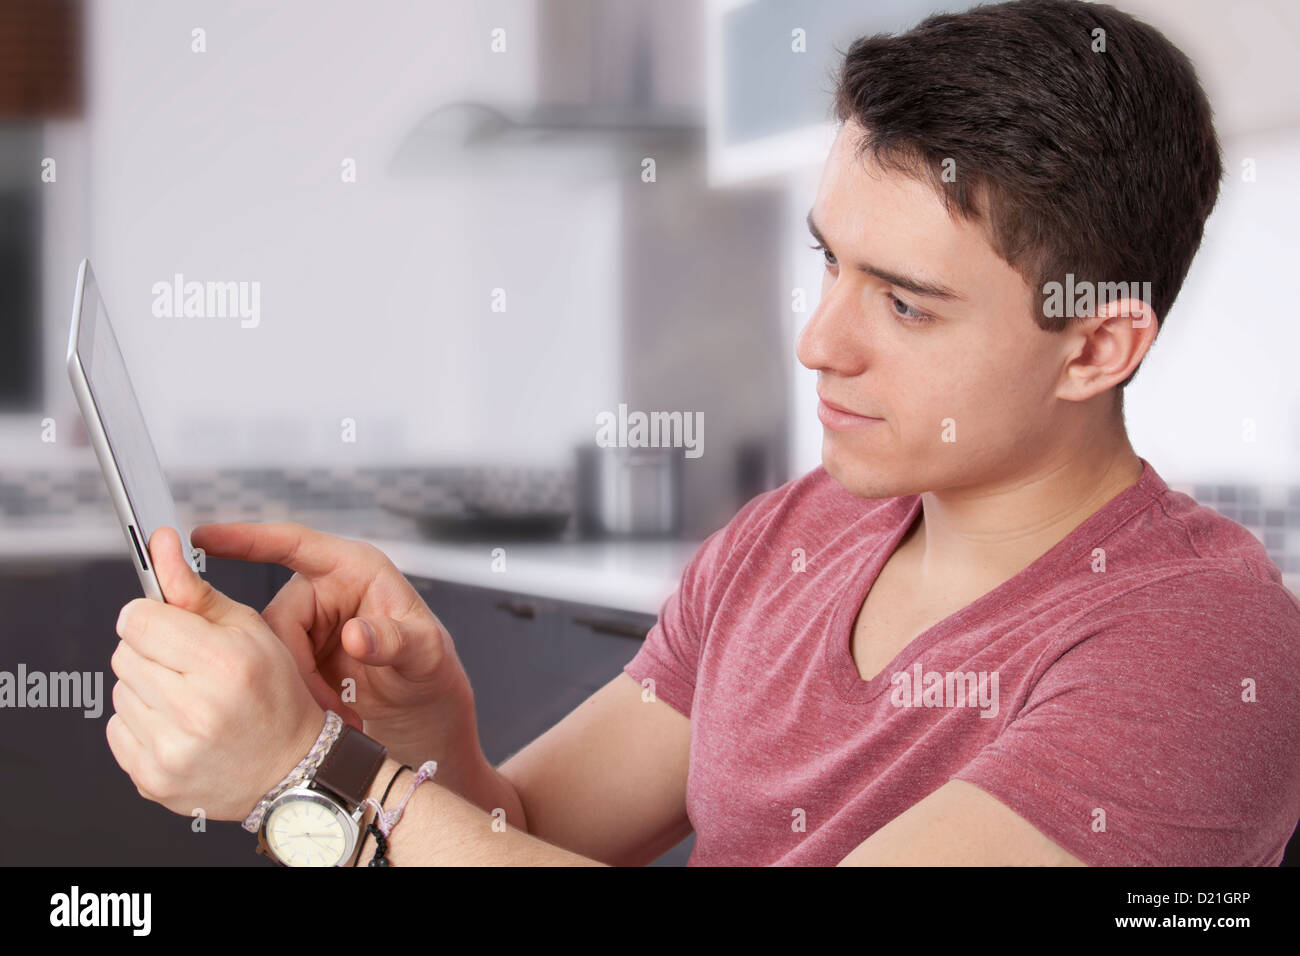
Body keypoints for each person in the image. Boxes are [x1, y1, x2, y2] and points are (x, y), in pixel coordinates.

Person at [107, 0, 1300, 866]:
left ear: (1095, 345)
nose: (817, 342)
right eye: (828, 261)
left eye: (902, 300)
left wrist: (307, 776)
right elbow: (515, 841)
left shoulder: (1203, 645)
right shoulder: (795, 532)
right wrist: (423, 727)